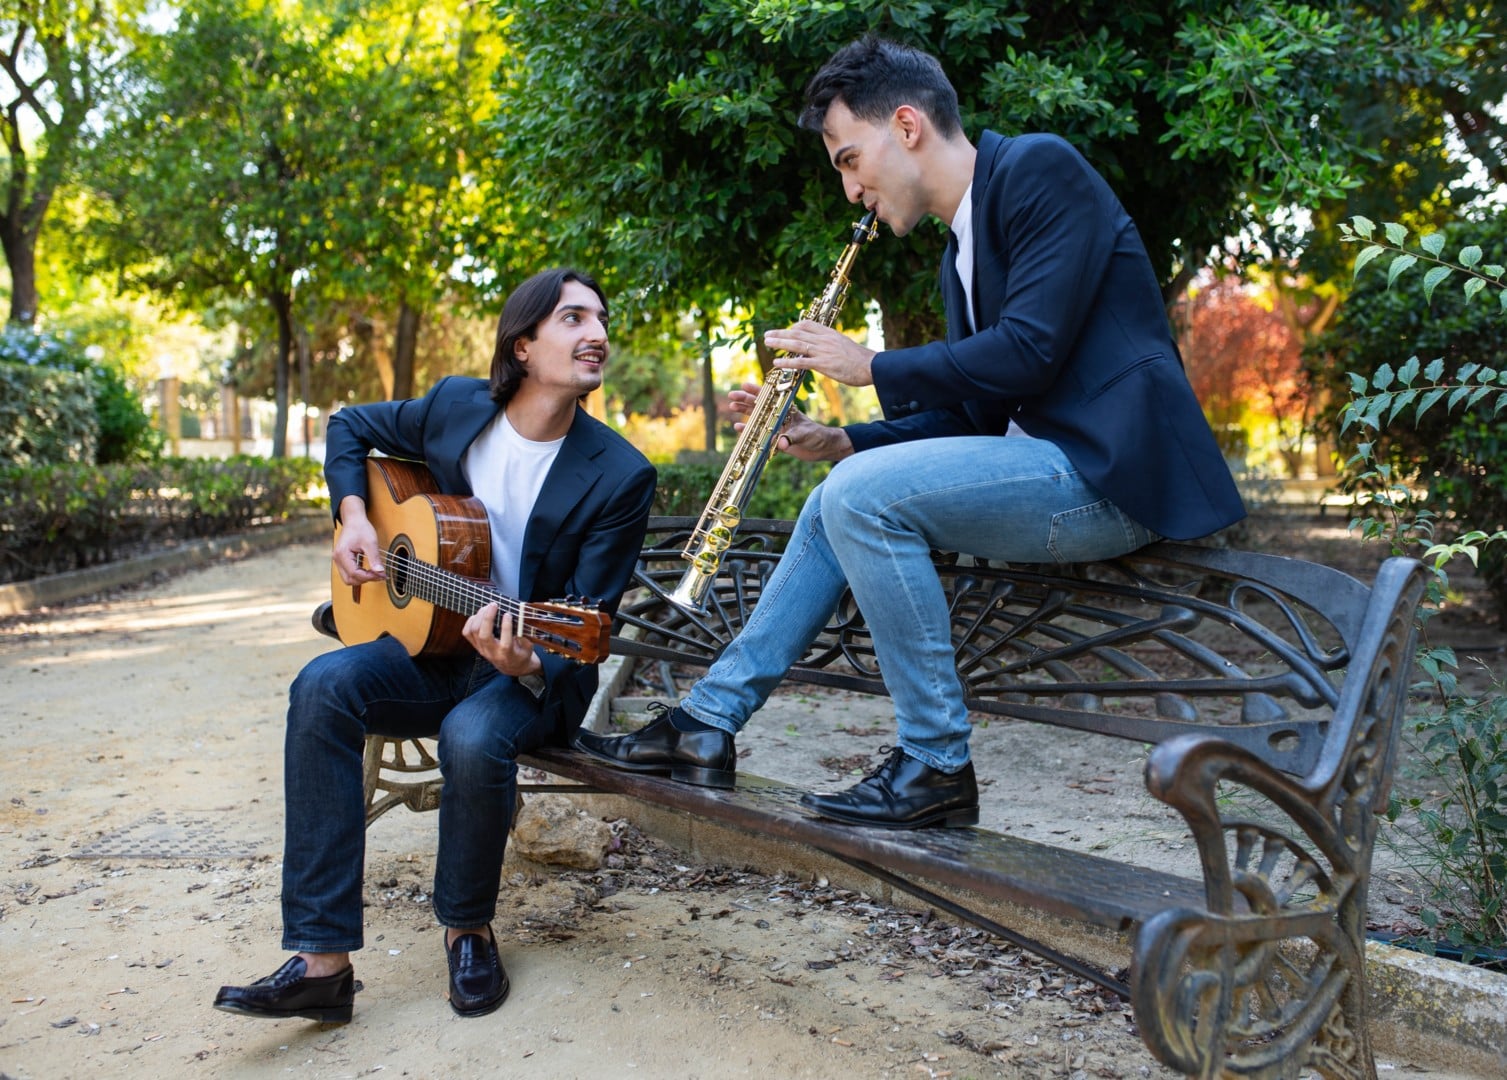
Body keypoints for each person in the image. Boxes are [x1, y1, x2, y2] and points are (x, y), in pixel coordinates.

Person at [575, 36, 1244, 829]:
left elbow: (1028, 350)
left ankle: (934, 762)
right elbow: (972, 417)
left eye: (850, 160)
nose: (852, 189)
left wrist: (872, 366)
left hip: (1112, 478)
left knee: (857, 500)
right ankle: (702, 724)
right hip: (1047, 473)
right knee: (839, 495)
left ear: (905, 125)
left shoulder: (1038, 168)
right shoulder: (957, 254)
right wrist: (845, 441)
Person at [214, 268, 656, 1023]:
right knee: (321, 685)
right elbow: (350, 424)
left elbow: (586, 621)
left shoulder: (618, 473)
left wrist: (531, 659)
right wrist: (355, 518)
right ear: (522, 345)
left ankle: (467, 928)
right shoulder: (457, 408)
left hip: (527, 675)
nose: (598, 335)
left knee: (474, 730)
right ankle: (322, 961)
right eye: (573, 319)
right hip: (431, 645)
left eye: (602, 320)